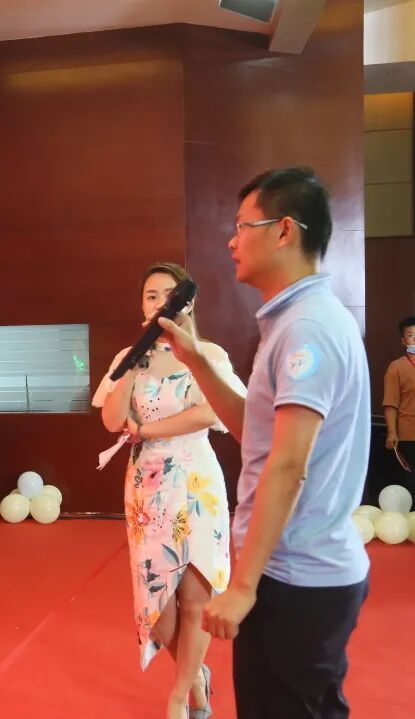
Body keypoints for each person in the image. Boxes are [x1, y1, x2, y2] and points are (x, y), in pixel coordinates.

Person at [158, 168, 370, 719]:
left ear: (284, 231)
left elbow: (288, 463)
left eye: (242, 226)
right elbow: (256, 429)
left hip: (297, 579)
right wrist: (197, 361)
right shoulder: (295, 320)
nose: (231, 241)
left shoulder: (307, 329)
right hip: (299, 572)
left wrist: (245, 585)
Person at [93, 262, 246, 719]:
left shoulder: (207, 354)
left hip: (196, 481)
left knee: (196, 595)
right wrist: (133, 361)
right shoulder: (129, 356)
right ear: (142, 305)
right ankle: (196, 676)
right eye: (150, 295)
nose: (159, 302)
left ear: (187, 302)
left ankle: (181, 697)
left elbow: (209, 414)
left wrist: (147, 429)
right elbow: (111, 419)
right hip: (147, 486)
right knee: (158, 605)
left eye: (168, 294)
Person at [383, 315, 415, 487]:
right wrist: (392, 432)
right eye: (411, 335)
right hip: (409, 435)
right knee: (411, 483)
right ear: (403, 341)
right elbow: (390, 403)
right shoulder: (396, 367)